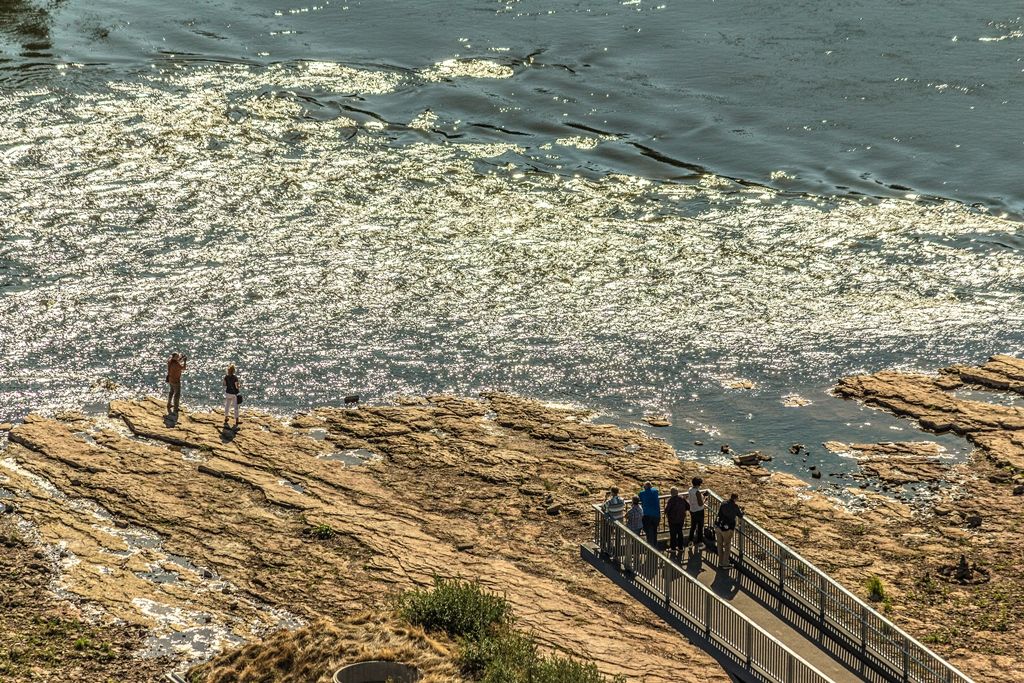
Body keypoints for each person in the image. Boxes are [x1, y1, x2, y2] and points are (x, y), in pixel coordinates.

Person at [715, 492, 744, 569]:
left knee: (719, 545)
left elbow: (719, 514)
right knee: (727, 546)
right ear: (735, 499)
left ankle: (720, 561)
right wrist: (742, 511)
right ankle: (725, 564)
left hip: (719, 526)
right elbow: (740, 515)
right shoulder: (735, 506)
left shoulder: (723, 503)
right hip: (727, 529)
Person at [664, 487, 689, 556]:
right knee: (680, 532)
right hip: (681, 519)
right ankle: (681, 547)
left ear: (671, 493)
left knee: (673, 534)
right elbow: (688, 507)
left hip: (672, 520)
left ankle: (673, 548)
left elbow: (667, 510)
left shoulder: (671, 500)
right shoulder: (682, 499)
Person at [637, 481, 661, 546]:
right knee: (654, 531)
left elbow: (639, 498)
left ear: (645, 487)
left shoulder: (642, 493)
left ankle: (650, 547)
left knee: (648, 532)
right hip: (656, 515)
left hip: (647, 515)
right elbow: (654, 489)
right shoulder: (655, 491)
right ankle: (655, 546)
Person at [686, 477, 707, 550]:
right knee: (700, 527)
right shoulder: (697, 492)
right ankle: (700, 542)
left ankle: (690, 541)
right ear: (698, 484)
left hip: (692, 510)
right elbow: (701, 504)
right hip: (699, 511)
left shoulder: (690, 490)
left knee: (693, 526)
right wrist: (705, 499)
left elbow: (695, 499)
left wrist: (702, 495)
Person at [223, 364, 242, 429]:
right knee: (235, 407)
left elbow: (224, 384)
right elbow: (237, 386)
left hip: (228, 393)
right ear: (233, 370)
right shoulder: (235, 377)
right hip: (234, 394)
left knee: (227, 405)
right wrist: (239, 386)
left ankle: (226, 418)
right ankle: (237, 420)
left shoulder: (226, 377)